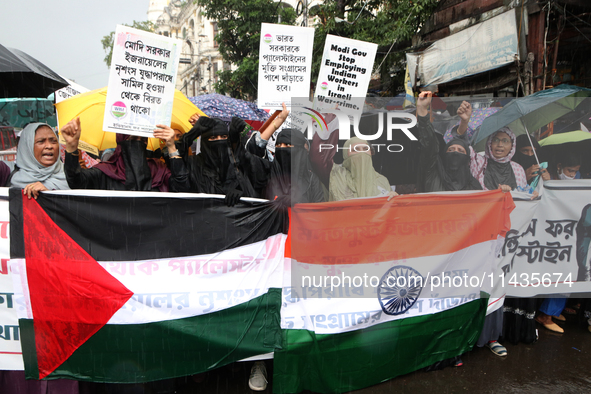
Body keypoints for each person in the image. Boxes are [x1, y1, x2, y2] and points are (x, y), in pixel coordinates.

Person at [170, 110, 288, 206]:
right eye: (213, 138)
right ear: (205, 141)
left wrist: (242, 193)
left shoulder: (238, 165)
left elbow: (260, 177)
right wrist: (194, 132)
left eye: (224, 136)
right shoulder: (193, 164)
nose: (219, 141)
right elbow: (176, 158)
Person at [61, 117, 182, 191]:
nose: (139, 144)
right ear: (121, 141)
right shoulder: (105, 172)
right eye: (133, 138)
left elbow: (181, 186)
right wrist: (72, 146)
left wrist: (171, 146)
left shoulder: (158, 169)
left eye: (143, 140)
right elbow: (76, 182)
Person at [415, 92, 482, 192]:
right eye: (451, 149)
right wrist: (422, 109)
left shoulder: (474, 186)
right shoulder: (433, 175)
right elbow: (430, 145)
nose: (455, 153)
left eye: (460, 151)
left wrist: (464, 122)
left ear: (467, 160)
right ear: (444, 154)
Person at [9, 122, 70, 198]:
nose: (49, 146)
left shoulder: (72, 177)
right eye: (41, 141)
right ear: (27, 148)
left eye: (53, 141)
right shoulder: (14, 177)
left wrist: (49, 194)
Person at [266, 128, 325, 205]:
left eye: (287, 145)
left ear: (299, 149)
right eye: (279, 145)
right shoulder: (267, 172)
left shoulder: (311, 179)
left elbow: (319, 209)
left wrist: (297, 207)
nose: (282, 149)